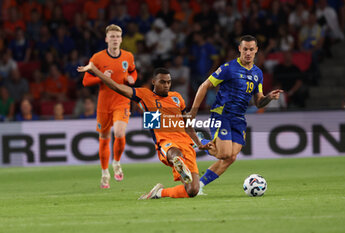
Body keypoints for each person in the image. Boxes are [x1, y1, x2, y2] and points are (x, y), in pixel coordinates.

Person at [78, 63, 209, 199]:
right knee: (175, 154)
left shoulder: (177, 97)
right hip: (165, 141)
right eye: (162, 82)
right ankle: (178, 161)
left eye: (169, 82)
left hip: (185, 143)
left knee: (192, 190)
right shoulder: (144, 95)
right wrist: (94, 70)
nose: (166, 85)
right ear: (153, 82)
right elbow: (116, 86)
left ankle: (158, 193)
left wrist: (198, 143)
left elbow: (187, 125)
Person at [188, 35, 283, 195]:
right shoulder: (228, 68)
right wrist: (193, 111)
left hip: (239, 118)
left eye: (251, 49)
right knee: (224, 153)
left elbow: (258, 101)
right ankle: (196, 139)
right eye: (245, 49)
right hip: (222, 114)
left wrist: (269, 97)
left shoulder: (257, 73)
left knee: (230, 158)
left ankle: (200, 185)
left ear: (256, 50)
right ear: (239, 49)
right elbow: (205, 85)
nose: (248, 52)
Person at [82, 24, 137, 188]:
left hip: (122, 101)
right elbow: (85, 81)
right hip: (104, 103)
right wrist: (101, 77)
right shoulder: (97, 58)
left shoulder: (128, 56)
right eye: (112, 36)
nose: (115, 39)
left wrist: (132, 78)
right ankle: (104, 173)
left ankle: (117, 162)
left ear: (121, 39)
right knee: (104, 138)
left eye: (117, 36)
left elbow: (133, 71)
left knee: (119, 132)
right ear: (106, 39)